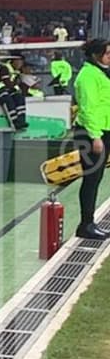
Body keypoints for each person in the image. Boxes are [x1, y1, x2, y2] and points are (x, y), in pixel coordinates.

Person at [72, 39, 110, 240]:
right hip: (90, 132)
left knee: (96, 178)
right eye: (107, 54)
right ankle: (86, 224)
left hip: (104, 129)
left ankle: (89, 222)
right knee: (91, 179)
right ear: (96, 55)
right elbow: (88, 109)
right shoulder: (88, 76)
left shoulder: (101, 73)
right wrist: (96, 137)